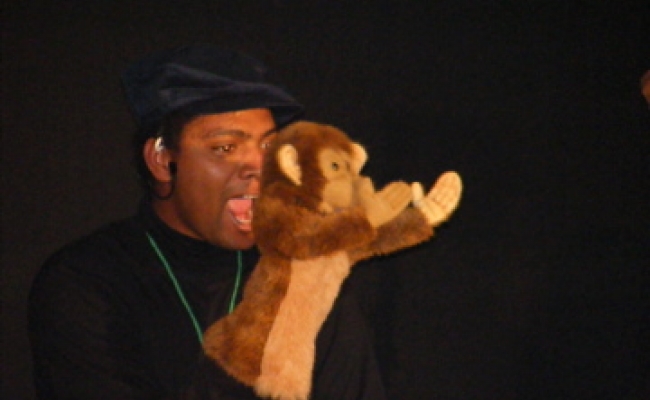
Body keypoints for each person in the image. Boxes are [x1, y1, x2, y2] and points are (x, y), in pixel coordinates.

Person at [29, 44, 388, 399]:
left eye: (268, 147)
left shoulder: (304, 275)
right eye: (225, 148)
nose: (260, 167)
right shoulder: (86, 282)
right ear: (161, 160)